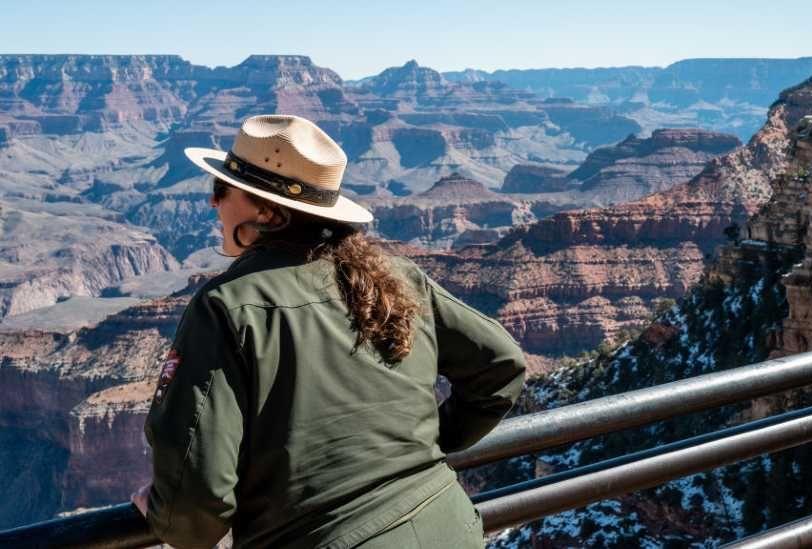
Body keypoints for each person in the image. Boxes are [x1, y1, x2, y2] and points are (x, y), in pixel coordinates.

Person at [130, 114, 527, 548]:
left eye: (221, 189)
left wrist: (168, 516)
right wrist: (421, 449)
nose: (212, 203)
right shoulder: (396, 276)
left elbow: (197, 504)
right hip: (447, 528)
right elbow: (500, 367)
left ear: (265, 210)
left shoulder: (227, 306)